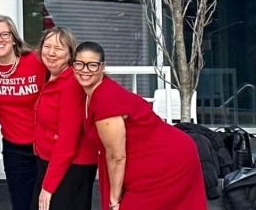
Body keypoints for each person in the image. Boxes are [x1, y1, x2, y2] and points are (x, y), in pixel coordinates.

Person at [76, 42, 207, 210]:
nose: (85, 70)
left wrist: (114, 201)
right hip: (152, 159)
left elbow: (117, 156)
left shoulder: (104, 99)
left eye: (92, 65)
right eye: (79, 63)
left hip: (166, 161)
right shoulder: (92, 92)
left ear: (102, 67)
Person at [0, 15, 45, 210]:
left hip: (46, 144)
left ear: (14, 38)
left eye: (5, 34)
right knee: (21, 203)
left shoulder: (37, 60)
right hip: (15, 149)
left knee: (48, 202)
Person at [33, 28, 95, 210]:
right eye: (47, 46)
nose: (51, 53)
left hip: (71, 168)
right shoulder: (50, 77)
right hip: (50, 163)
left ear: (70, 54)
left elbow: (67, 140)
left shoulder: (71, 84)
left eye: (59, 48)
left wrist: (48, 187)